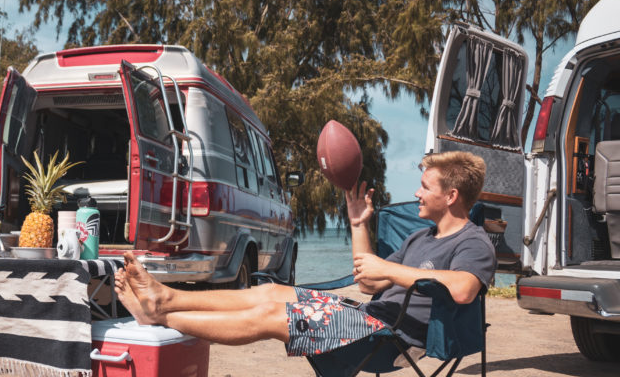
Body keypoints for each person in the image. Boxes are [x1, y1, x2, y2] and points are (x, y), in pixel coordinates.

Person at [114, 151, 496, 355]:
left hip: (390, 337)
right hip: (368, 317)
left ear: (451, 196)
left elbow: (463, 290)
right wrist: (359, 223)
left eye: (425, 187)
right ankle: (166, 299)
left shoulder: (472, 242)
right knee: (268, 291)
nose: (416, 193)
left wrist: (390, 270)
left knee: (274, 314)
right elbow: (368, 282)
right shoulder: (420, 239)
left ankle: (161, 318)